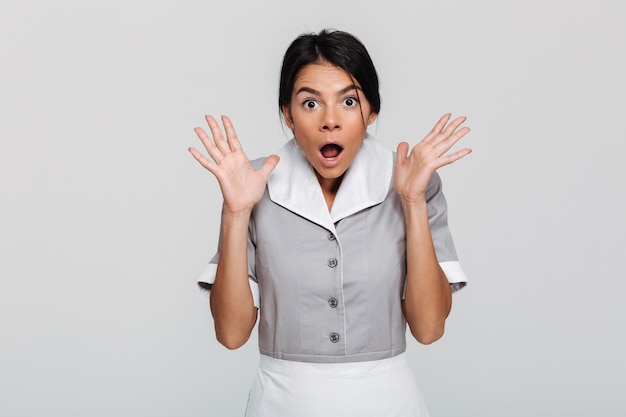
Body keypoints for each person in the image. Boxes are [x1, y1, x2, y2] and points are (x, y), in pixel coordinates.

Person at [189, 29, 471, 417]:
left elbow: (429, 329)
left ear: (372, 112)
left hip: (387, 403)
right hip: (281, 403)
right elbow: (232, 335)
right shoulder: (251, 186)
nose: (330, 122)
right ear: (287, 113)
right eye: (310, 104)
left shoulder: (411, 182)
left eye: (349, 101)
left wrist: (412, 202)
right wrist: (235, 214)